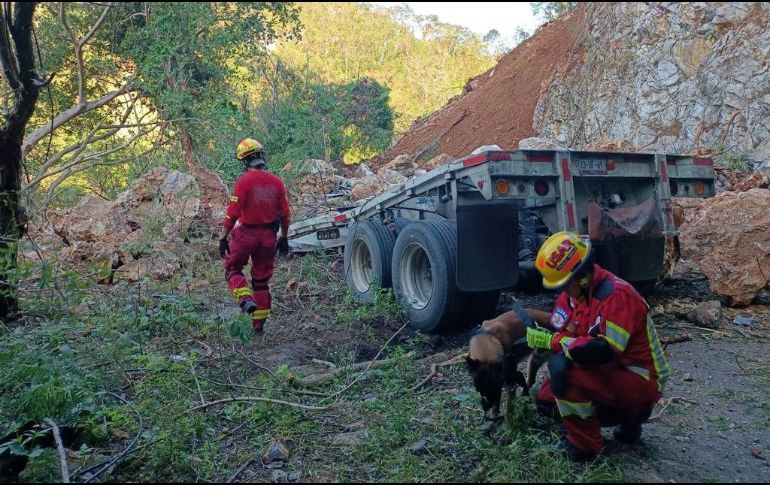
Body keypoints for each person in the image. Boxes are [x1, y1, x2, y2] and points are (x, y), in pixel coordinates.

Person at [525, 231, 671, 460]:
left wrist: (553, 342)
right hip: (611, 371)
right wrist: (548, 339)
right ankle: (625, 418)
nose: (562, 291)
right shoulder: (572, 297)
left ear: (583, 276)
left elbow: (601, 351)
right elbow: (565, 332)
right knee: (546, 398)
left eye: (565, 284)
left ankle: (586, 446)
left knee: (565, 375)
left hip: (641, 376)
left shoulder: (617, 296)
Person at [219, 138, 291, 335]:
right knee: (261, 281)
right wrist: (284, 238)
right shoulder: (277, 182)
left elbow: (232, 213)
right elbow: (285, 215)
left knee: (232, 268)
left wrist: (223, 238)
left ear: (244, 161)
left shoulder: (243, 181)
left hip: (246, 235)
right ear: (261, 157)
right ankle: (258, 327)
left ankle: (245, 300)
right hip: (268, 237)